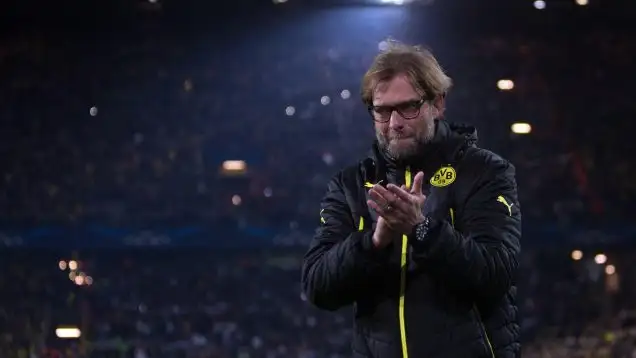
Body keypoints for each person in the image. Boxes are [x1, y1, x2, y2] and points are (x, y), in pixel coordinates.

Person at [301, 40, 521, 358]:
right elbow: (317, 287)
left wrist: (421, 230)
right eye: (382, 111)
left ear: (438, 104)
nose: (394, 124)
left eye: (408, 107)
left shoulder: (485, 172)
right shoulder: (350, 186)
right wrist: (373, 243)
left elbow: (495, 275)